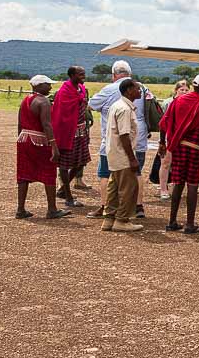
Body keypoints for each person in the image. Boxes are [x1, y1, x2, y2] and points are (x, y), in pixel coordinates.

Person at [88, 60, 154, 219]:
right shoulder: (144, 88)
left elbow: (90, 104)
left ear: (114, 75)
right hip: (139, 137)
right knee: (136, 173)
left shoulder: (110, 90)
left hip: (114, 141)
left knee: (106, 174)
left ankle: (106, 207)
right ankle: (138, 207)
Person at [158, 74, 199, 234]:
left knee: (178, 183)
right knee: (193, 185)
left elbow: (164, 123)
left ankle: (172, 222)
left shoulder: (178, 101)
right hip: (195, 149)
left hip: (178, 147)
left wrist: (162, 142)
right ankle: (189, 224)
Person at [15, 75, 70, 220]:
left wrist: (20, 140)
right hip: (39, 141)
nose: (50, 87)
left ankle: (20, 209)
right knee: (49, 172)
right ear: (38, 86)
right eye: (48, 85)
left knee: (23, 174)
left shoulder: (25, 100)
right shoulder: (43, 101)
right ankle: (52, 209)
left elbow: (20, 123)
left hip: (24, 139)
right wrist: (54, 145)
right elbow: (47, 125)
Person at [102, 79, 144, 234]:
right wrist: (132, 158)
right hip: (122, 154)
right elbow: (124, 135)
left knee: (114, 187)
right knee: (129, 188)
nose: (140, 91)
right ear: (128, 91)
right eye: (137, 89)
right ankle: (122, 220)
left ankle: (109, 219)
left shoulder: (117, 105)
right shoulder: (125, 109)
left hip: (114, 153)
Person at [52, 66, 90, 207]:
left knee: (81, 162)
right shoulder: (65, 91)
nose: (83, 76)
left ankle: (62, 190)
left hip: (80, 131)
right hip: (67, 131)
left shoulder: (80, 89)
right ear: (72, 75)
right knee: (64, 164)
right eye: (80, 74)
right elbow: (61, 113)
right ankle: (68, 197)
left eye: (84, 74)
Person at [157, 79, 191, 200]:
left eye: (187, 90)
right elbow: (162, 123)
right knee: (165, 163)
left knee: (180, 164)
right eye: (182, 89)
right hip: (168, 137)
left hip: (183, 138)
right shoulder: (168, 103)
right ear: (176, 90)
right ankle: (163, 189)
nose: (184, 92)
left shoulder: (190, 104)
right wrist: (162, 141)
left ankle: (176, 189)